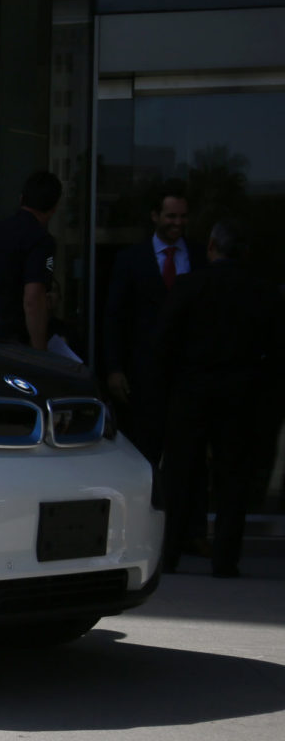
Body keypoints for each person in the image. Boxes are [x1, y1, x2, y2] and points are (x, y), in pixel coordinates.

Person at [155, 219, 283, 577]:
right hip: (240, 392)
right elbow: (276, 350)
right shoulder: (262, 291)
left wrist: (168, 385)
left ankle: (169, 554)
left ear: (211, 247)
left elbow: (163, 341)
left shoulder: (190, 286)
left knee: (179, 474)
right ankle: (225, 558)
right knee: (233, 477)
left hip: (192, 389)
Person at [102, 180, 205, 466]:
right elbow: (114, 317)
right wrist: (114, 368)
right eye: (171, 216)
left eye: (183, 216)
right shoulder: (130, 259)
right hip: (144, 377)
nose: (178, 222)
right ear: (154, 216)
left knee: (187, 458)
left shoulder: (201, 257)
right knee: (144, 454)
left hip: (189, 377)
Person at [0, 171, 62, 350]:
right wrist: (39, 350)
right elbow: (33, 298)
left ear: (21, 199)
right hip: (9, 335)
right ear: (54, 208)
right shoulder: (40, 239)